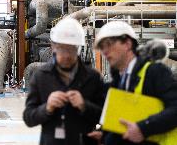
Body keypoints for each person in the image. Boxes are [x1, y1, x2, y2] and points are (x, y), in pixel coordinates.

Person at [23, 17, 104, 145]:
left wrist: (84, 105)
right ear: (53, 46)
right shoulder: (41, 76)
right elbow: (29, 118)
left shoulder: (93, 77)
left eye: (71, 49)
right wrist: (47, 108)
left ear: (78, 48)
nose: (66, 55)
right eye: (61, 48)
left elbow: (104, 116)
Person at [94, 21, 177, 145]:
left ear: (127, 44)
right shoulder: (119, 81)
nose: (105, 51)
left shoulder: (154, 72)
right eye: (102, 47)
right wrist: (103, 133)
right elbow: (122, 120)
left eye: (109, 44)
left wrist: (143, 128)